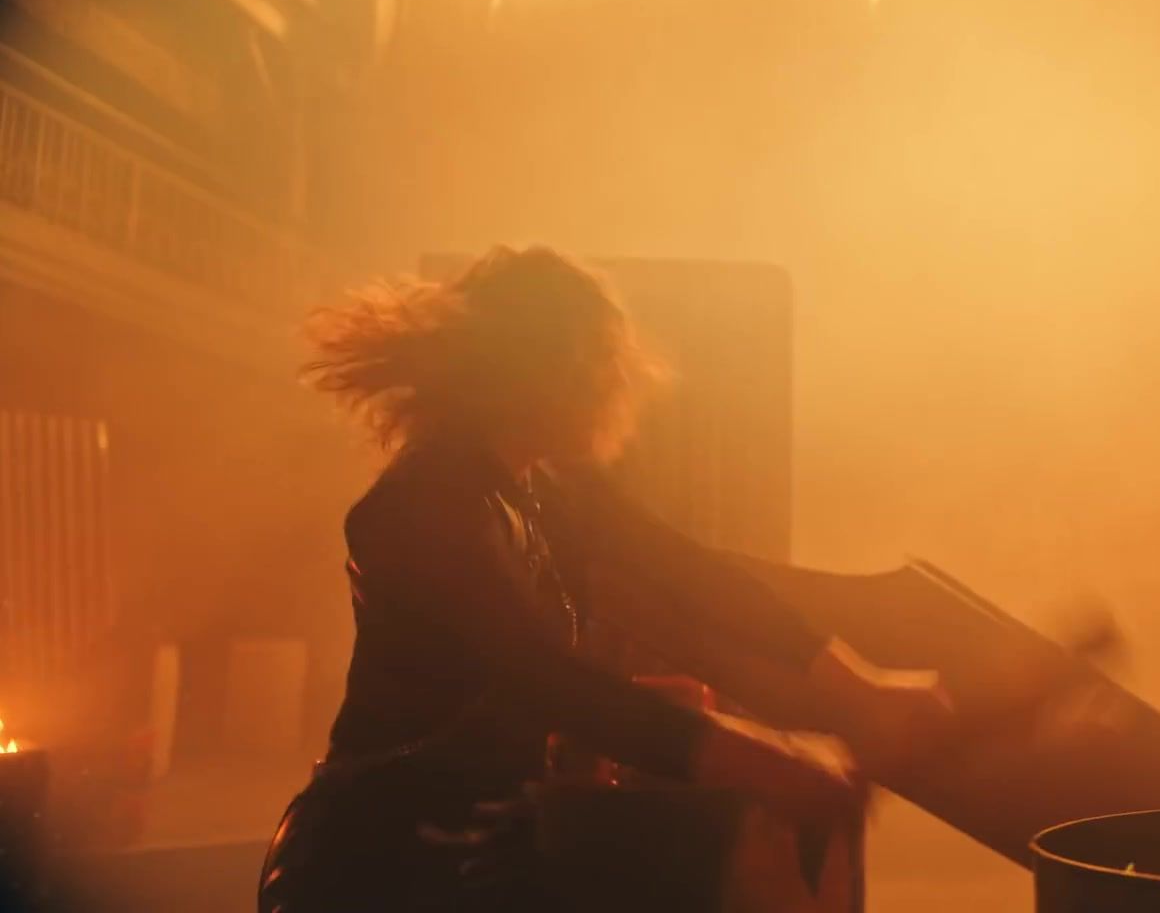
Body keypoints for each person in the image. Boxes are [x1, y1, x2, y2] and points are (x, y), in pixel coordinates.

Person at [258, 245, 951, 912]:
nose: (605, 385)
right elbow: (542, 678)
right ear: (531, 366)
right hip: (371, 870)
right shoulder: (427, 503)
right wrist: (767, 760)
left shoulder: (545, 488)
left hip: (488, 849)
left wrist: (858, 684)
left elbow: (687, 571)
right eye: (590, 360)